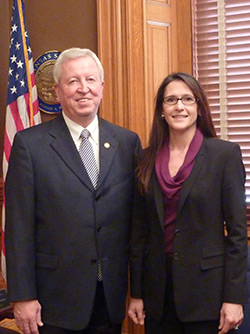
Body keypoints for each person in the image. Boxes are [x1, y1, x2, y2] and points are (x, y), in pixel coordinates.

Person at [5, 47, 142, 334]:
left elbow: (137, 225)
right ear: (57, 91)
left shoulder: (127, 143)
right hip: (54, 301)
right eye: (73, 81)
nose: (84, 89)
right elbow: (19, 227)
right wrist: (23, 295)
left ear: (102, 87)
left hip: (110, 297)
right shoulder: (30, 145)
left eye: (90, 80)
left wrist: (138, 289)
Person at [128, 72, 248, 334]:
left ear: (199, 107)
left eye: (187, 99)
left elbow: (238, 234)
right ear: (161, 110)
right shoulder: (145, 159)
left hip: (208, 294)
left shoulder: (224, 156)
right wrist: (136, 292)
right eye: (171, 100)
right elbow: (139, 233)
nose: (179, 106)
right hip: (158, 294)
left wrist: (234, 297)